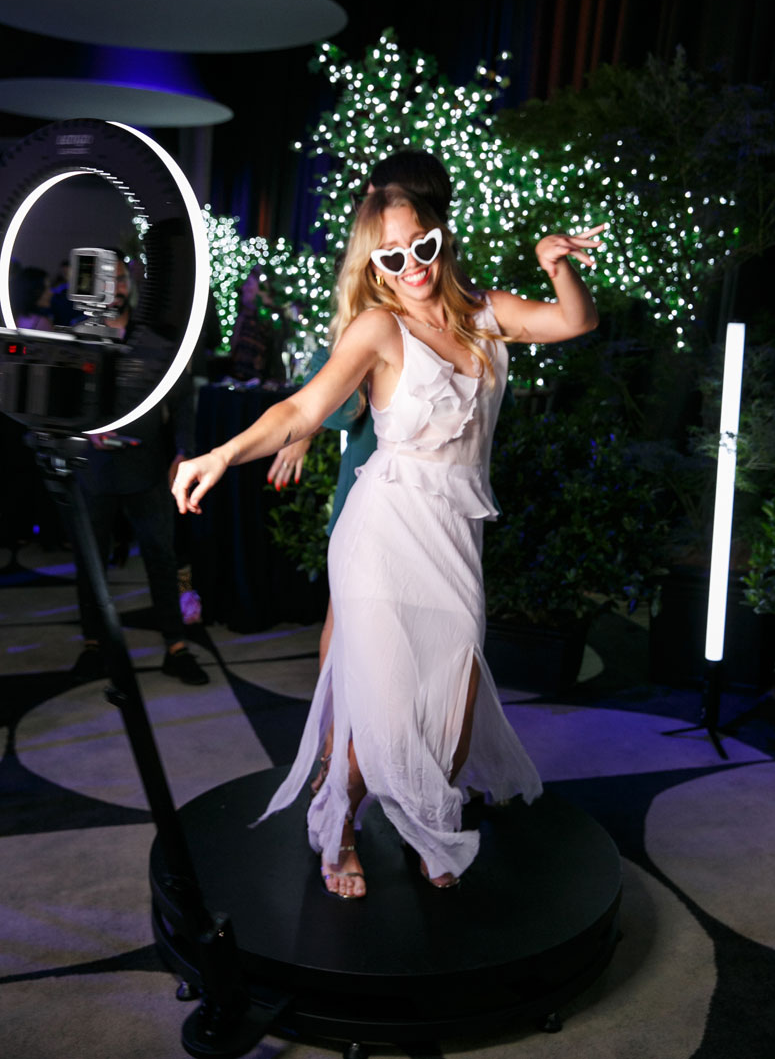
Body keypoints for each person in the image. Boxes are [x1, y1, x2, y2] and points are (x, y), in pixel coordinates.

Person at [172, 184, 604, 896]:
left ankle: (424, 819)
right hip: (381, 532)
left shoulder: (487, 314)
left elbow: (575, 321)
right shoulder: (378, 328)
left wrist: (556, 265)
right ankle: (339, 824)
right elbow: (301, 408)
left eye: (421, 245)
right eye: (392, 255)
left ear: (440, 237)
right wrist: (222, 455)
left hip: (453, 535)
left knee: (452, 708)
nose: (412, 265)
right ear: (375, 264)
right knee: (384, 704)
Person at [267, 151, 454, 796]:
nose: (368, 209)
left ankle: (415, 763)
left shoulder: (440, 281)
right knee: (347, 617)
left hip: (442, 488)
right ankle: (333, 750)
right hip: (374, 470)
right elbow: (330, 393)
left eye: (378, 196)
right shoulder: (378, 288)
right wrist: (302, 432)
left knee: (429, 634)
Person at [71, 255, 209, 687]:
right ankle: (93, 644)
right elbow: (65, 398)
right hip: (93, 468)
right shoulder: (80, 336)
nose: (115, 289)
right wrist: (84, 429)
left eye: (120, 280)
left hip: (147, 466)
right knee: (90, 560)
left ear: (130, 284)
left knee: (160, 556)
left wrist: (184, 451)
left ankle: (176, 646)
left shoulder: (154, 341)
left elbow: (182, 399)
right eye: (106, 281)